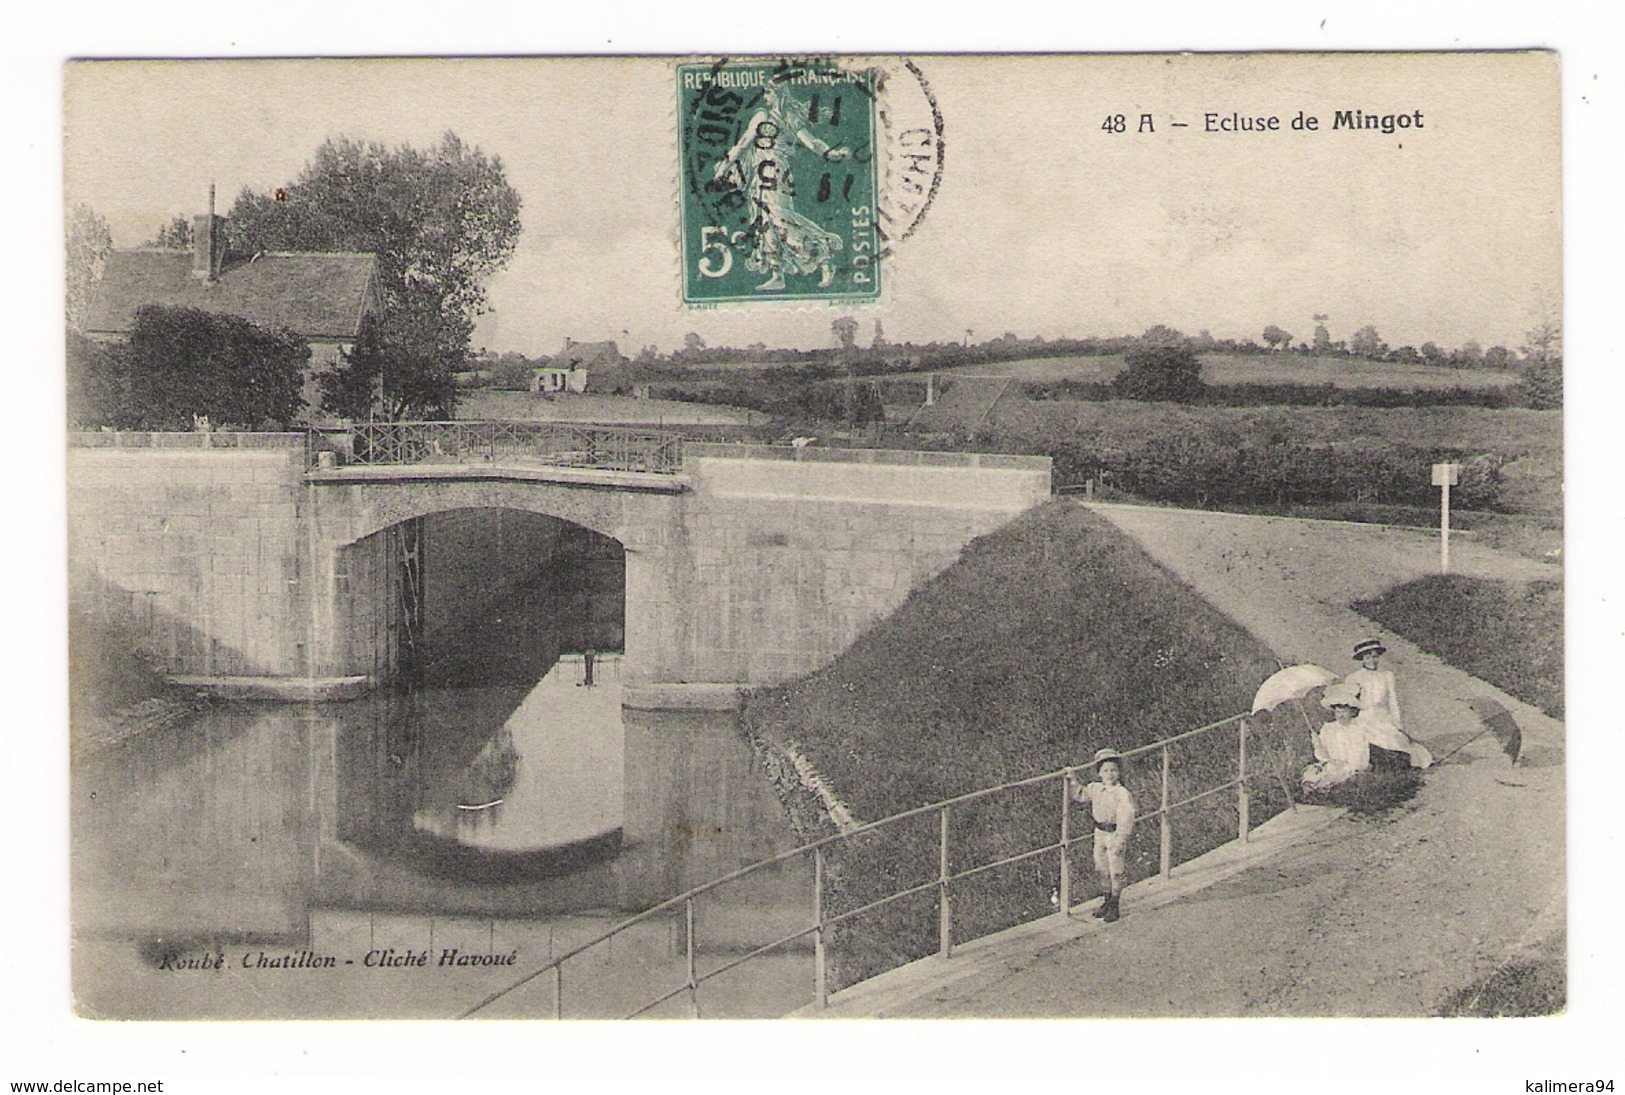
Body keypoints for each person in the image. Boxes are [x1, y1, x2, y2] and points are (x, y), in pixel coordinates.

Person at [712, 82, 849, 291]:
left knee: (781, 219)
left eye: (769, 92)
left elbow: (812, 143)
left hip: (778, 174)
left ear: (779, 94)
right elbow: (742, 144)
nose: (765, 97)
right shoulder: (760, 116)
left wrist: (831, 153)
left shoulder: (790, 118)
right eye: (765, 92)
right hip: (758, 176)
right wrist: (723, 168)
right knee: (763, 222)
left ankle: (823, 257)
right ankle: (777, 274)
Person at [1067, 748, 1135, 922]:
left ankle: (1115, 905)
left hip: (1115, 833)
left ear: (1119, 772)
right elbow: (1080, 795)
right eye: (1105, 770)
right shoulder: (1095, 788)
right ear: (1099, 773)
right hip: (1100, 833)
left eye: (1113, 770)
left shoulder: (1122, 793)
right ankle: (1106, 901)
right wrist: (1072, 779)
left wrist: (1121, 839)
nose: (1110, 774)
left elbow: (1126, 817)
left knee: (1116, 871)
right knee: (1102, 868)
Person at [1344, 639, 1433, 768]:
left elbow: (1392, 699)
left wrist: (1397, 723)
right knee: (1366, 739)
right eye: (1367, 657)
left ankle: (1396, 760)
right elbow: (1350, 702)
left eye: (1375, 657)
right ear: (1362, 659)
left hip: (1384, 716)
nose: (1372, 661)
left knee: (1397, 740)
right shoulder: (1354, 678)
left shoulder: (1386, 675)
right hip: (1365, 717)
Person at [1301, 682, 1371, 792]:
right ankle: (1315, 786)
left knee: (1341, 774)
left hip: (1350, 766)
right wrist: (1317, 743)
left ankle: (1324, 786)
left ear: (1352, 711)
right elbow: (1323, 755)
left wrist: (1346, 766)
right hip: (1332, 764)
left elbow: (1360, 756)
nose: (1341, 716)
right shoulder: (1328, 728)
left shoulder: (1358, 729)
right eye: (1337, 712)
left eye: (1344, 712)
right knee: (1314, 772)